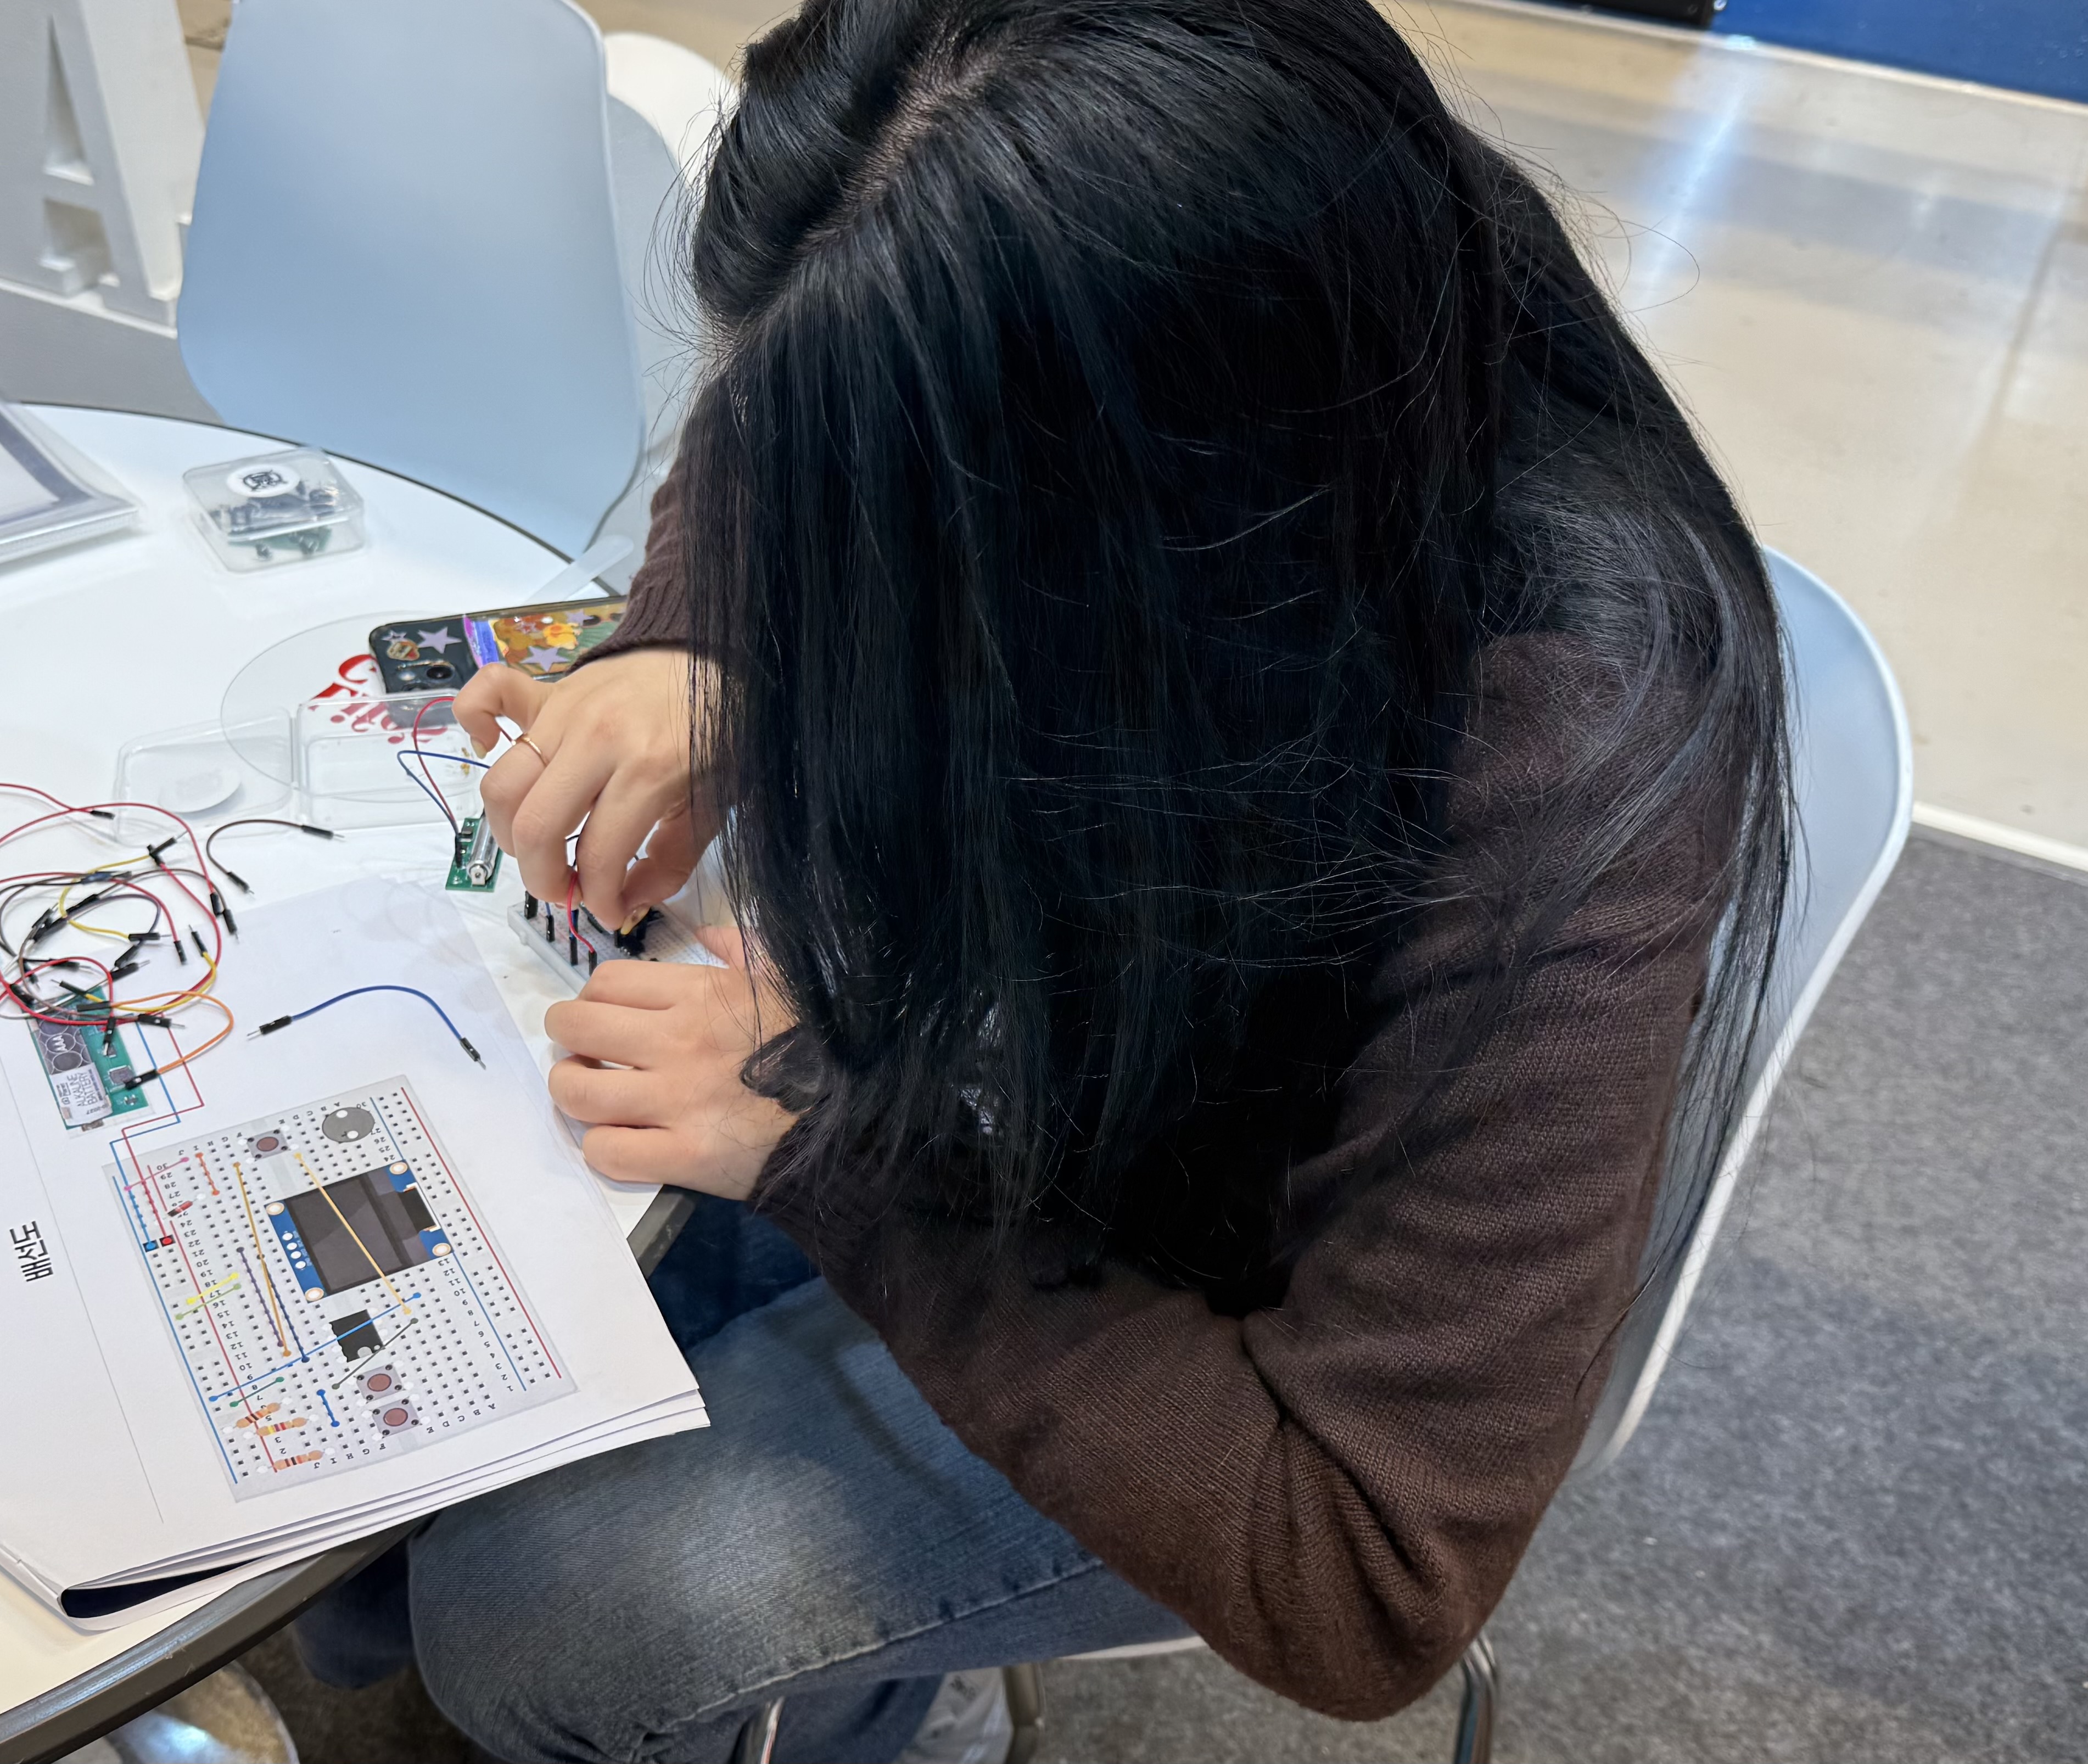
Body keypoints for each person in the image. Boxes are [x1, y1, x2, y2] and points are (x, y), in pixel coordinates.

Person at [291, 0, 1792, 1757]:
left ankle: (902, 1724)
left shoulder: (1568, 760)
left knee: (541, 1604)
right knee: (407, 1360)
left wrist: (834, 1145)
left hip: (1215, 1331)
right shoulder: (1247, 303)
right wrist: (697, 641)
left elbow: (1365, 1572)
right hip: (1039, 1069)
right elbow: (802, 390)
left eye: (905, 528)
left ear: (1165, 529)